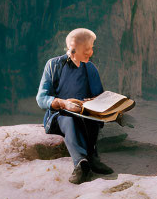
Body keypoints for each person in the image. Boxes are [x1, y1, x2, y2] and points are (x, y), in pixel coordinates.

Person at [36, 27, 115, 184]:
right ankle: (81, 162)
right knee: (70, 120)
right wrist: (62, 103)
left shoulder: (90, 68)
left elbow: (99, 95)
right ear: (73, 48)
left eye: (91, 48)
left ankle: (92, 157)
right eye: (87, 48)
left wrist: (99, 104)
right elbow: (41, 98)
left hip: (84, 113)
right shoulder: (53, 65)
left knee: (92, 119)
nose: (91, 52)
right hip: (60, 116)